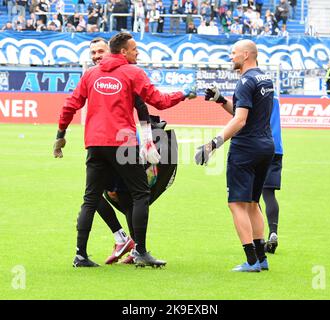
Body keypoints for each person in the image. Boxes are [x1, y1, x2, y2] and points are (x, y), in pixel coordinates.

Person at [53, 32, 196, 268]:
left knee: (90, 199)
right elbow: (158, 100)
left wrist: (60, 135)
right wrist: (182, 94)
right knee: (140, 194)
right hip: (123, 143)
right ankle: (140, 251)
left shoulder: (90, 74)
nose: (137, 52)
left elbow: (71, 104)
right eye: (134, 49)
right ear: (123, 52)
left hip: (95, 144)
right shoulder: (132, 73)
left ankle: (80, 255)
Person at [196, 39, 274, 272]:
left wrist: (212, 144)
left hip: (245, 148)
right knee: (252, 203)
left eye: (234, 53)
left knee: (236, 204)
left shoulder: (244, 82)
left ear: (247, 55)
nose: (231, 57)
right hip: (265, 146)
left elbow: (240, 120)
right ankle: (262, 259)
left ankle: (251, 261)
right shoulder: (265, 79)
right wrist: (220, 100)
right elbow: (244, 112)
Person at [262, 93, 283, 254]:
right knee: (269, 194)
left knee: (252, 196)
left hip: (260, 144)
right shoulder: (274, 97)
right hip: (277, 148)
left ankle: (259, 238)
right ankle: (273, 231)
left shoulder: (255, 93)